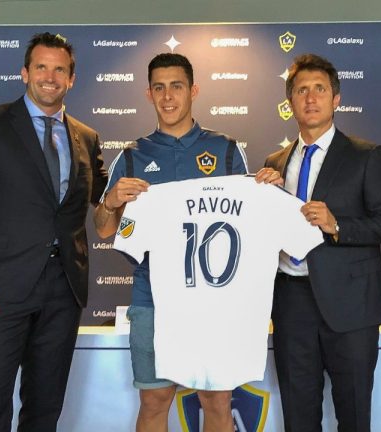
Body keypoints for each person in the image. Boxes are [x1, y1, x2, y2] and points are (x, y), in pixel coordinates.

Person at [96, 53, 282, 432]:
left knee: (217, 399)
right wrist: (111, 201)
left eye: (176, 86)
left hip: (214, 298)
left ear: (193, 90)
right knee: (154, 400)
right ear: (148, 94)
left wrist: (266, 191)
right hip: (153, 297)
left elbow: (248, 221)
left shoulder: (226, 149)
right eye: (159, 88)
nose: (168, 96)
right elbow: (102, 228)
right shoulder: (132, 155)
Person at [0, 32, 109, 432]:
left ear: (72, 79)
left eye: (60, 69)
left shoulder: (86, 138)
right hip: (0, 291)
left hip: (63, 289)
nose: (50, 77)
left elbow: (107, 195)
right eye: (41, 67)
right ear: (24, 73)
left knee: (45, 407)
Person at [264, 53, 381, 432]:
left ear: (336, 98)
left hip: (352, 307)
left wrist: (337, 225)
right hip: (292, 302)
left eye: (319, 90)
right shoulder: (274, 164)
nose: (310, 98)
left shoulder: (367, 155)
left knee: (354, 414)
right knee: (298, 416)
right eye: (301, 91)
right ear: (289, 101)